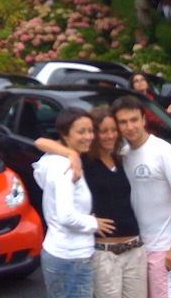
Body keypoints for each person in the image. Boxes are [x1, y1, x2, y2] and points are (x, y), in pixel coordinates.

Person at [37, 106, 147, 298]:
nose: (109, 135)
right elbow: (40, 142)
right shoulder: (79, 162)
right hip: (97, 252)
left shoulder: (122, 157)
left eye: (113, 130)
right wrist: (70, 154)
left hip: (133, 249)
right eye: (102, 130)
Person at [112, 95, 171, 298]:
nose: (130, 126)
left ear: (143, 119)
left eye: (134, 120)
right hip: (137, 248)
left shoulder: (165, 152)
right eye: (123, 122)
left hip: (165, 248)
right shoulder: (122, 154)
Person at [32, 107, 114, 298]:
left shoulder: (52, 160)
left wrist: (72, 153)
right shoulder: (66, 168)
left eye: (90, 131)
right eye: (81, 132)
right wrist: (94, 223)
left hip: (61, 253)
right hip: (71, 258)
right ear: (64, 134)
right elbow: (66, 216)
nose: (89, 137)